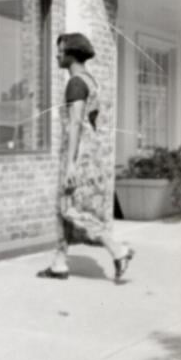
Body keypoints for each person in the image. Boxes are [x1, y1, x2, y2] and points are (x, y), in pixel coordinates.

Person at [38, 33, 134, 282]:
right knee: (63, 209)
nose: (57, 55)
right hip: (87, 153)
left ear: (71, 54)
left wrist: (69, 164)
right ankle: (59, 262)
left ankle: (117, 249)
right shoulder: (90, 80)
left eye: (60, 50)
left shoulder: (76, 83)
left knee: (71, 209)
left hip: (77, 154)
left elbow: (75, 124)